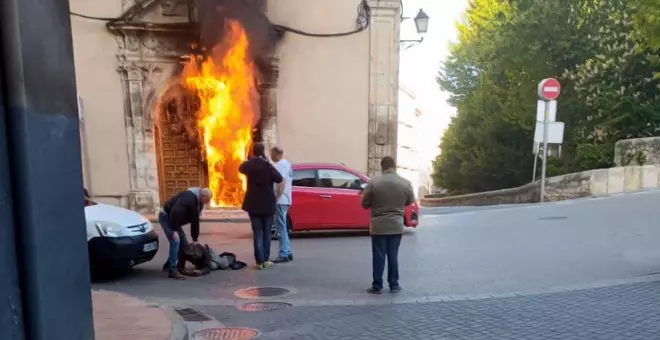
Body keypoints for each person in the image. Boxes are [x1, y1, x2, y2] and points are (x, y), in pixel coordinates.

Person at [360, 156, 415, 294]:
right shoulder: (405, 183)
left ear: (382, 167)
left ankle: (377, 286)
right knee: (393, 255)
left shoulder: (374, 183)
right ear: (394, 166)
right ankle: (394, 284)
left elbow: (364, 203)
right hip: (396, 224)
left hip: (378, 225)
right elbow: (409, 201)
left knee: (378, 255)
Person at [239, 142, 283, 269]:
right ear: (263, 151)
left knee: (257, 232)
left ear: (253, 152)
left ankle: (259, 262)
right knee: (267, 233)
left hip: (253, 204)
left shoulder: (249, 165)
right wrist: (268, 163)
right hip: (267, 204)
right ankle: (265, 259)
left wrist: (252, 159)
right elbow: (279, 178)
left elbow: (241, 168)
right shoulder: (267, 166)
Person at [159, 187, 212, 279]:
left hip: (174, 221)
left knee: (185, 245)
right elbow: (175, 212)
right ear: (202, 196)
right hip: (167, 217)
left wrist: (195, 239)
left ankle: (168, 265)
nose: (208, 202)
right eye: (207, 199)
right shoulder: (187, 198)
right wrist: (174, 230)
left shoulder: (199, 203)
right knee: (175, 241)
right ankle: (172, 270)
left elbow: (195, 221)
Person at [270, 146, 294, 263]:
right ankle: (288, 251)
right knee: (283, 226)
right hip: (286, 199)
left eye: (271, 153)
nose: (270, 156)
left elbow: (281, 182)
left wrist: (277, 198)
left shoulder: (280, 165)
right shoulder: (287, 164)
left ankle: (284, 253)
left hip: (281, 200)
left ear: (275, 153)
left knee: (281, 228)